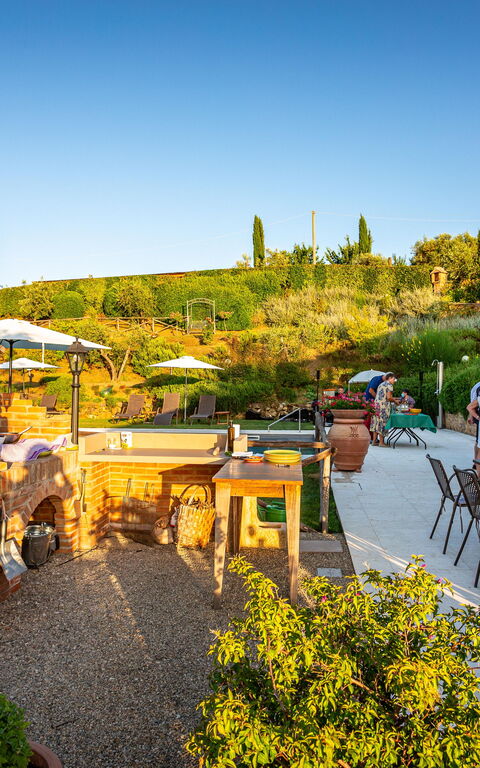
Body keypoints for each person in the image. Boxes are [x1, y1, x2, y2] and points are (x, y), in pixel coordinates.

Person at [371, 373, 400, 446]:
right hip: (383, 407)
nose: (394, 381)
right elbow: (389, 397)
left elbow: (382, 395)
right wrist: (395, 401)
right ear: (389, 378)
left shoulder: (381, 384)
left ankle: (374, 442)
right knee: (383, 423)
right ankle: (381, 442)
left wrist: (394, 398)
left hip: (376, 406)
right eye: (393, 379)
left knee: (376, 423)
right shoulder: (389, 385)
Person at [466, 379, 480, 478]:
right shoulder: (477, 386)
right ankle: (476, 462)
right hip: (478, 416)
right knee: (478, 442)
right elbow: (472, 403)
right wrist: (472, 416)